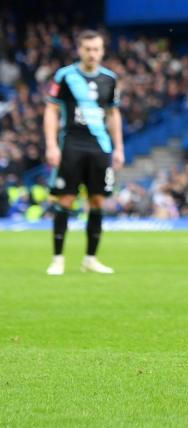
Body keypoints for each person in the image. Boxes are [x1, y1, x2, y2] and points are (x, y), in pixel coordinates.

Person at [44, 30, 124, 276]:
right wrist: (51, 144)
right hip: (71, 144)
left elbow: (112, 113)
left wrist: (119, 147)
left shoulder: (110, 79)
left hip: (100, 146)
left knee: (98, 200)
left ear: (102, 51)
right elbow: (51, 110)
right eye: (87, 49)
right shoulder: (65, 76)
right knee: (66, 200)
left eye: (96, 49)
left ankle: (90, 258)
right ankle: (58, 259)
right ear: (79, 50)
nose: (92, 53)